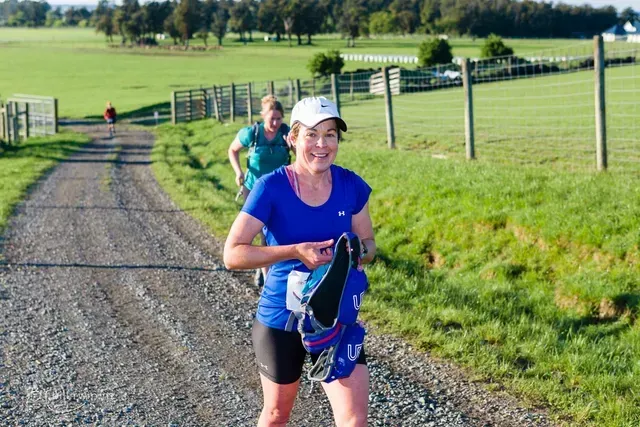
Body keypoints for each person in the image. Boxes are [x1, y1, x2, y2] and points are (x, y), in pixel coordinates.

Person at [223, 96, 376, 427]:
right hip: (282, 319)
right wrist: (293, 251)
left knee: (354, 420)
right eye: (311, 134)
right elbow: (233, 253)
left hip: (333, 317)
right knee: (278, 415)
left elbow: (369, 244)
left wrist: (349, 254)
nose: (322, 144)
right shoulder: (270, 187)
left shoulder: (351, 185)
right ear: (292, 139)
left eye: (331, 134)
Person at [228, 95, 291, 288]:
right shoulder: (252, 133)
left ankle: (267, 268)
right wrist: (238, 171)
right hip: (254, 189)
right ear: (263, 116)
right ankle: (268, 278)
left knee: (278, 231)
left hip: (281, 190)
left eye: (279, 118)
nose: (275, 123)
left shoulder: (286, 133)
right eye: (271, 118)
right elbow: (232, 150)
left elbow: (301, 155)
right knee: (262, 232)